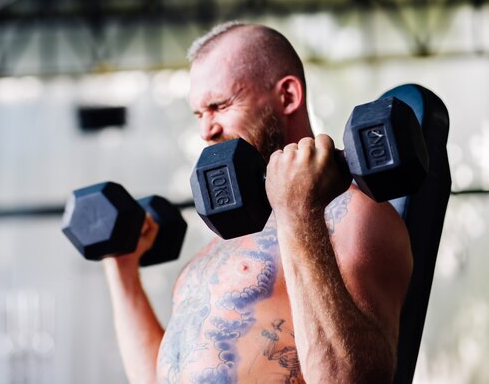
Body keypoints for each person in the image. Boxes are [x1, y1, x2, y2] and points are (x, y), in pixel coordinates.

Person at [102, 21, 413, 384]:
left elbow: (352, 380)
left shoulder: (353, 215)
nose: (206, 130)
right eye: (199, 115)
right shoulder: (224, 243)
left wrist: (297, 212)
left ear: (287, 96)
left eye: (219, 106)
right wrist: (122, 269)